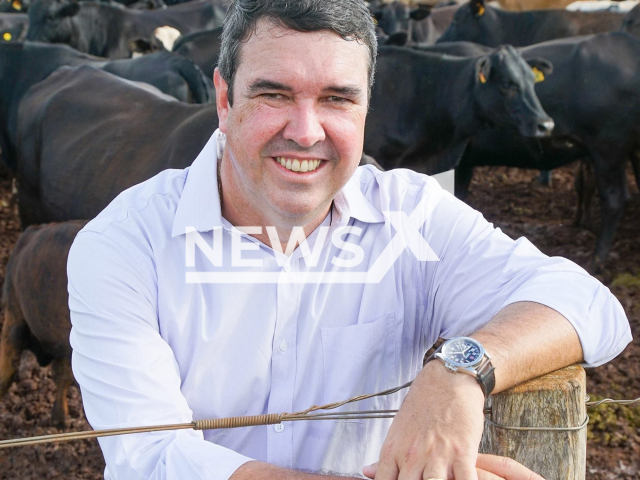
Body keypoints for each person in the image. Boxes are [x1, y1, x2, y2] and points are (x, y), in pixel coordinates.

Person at [67, 0, 631, 479]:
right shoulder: (125, 245)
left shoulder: (411, 214)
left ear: (365, 106)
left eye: (337, 98)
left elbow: (589, 304)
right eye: (273, 95)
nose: (306, 131)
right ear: (223, 99)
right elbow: (151, 457)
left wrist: (459, 369)